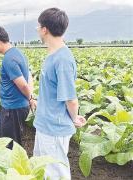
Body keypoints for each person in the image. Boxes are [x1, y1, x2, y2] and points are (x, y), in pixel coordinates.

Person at [33, 8, 86, 179]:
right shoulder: (52, 55)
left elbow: (70, 99)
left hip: (55, 128)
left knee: (56, 173)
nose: (37, 29)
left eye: (38, 26)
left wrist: (74, 118)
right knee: (41, 169)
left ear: (44, 29)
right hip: (44, 125)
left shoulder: (63, 59)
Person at [0, 26, 36, 148]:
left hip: (13, 110)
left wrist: (31, 98)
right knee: (13, 141)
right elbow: (29, 76)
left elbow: (23, 84)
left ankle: (13, 166)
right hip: (17, 107)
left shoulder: (8, 59)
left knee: (10, 144)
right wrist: (30, 97)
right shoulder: (18, 53)